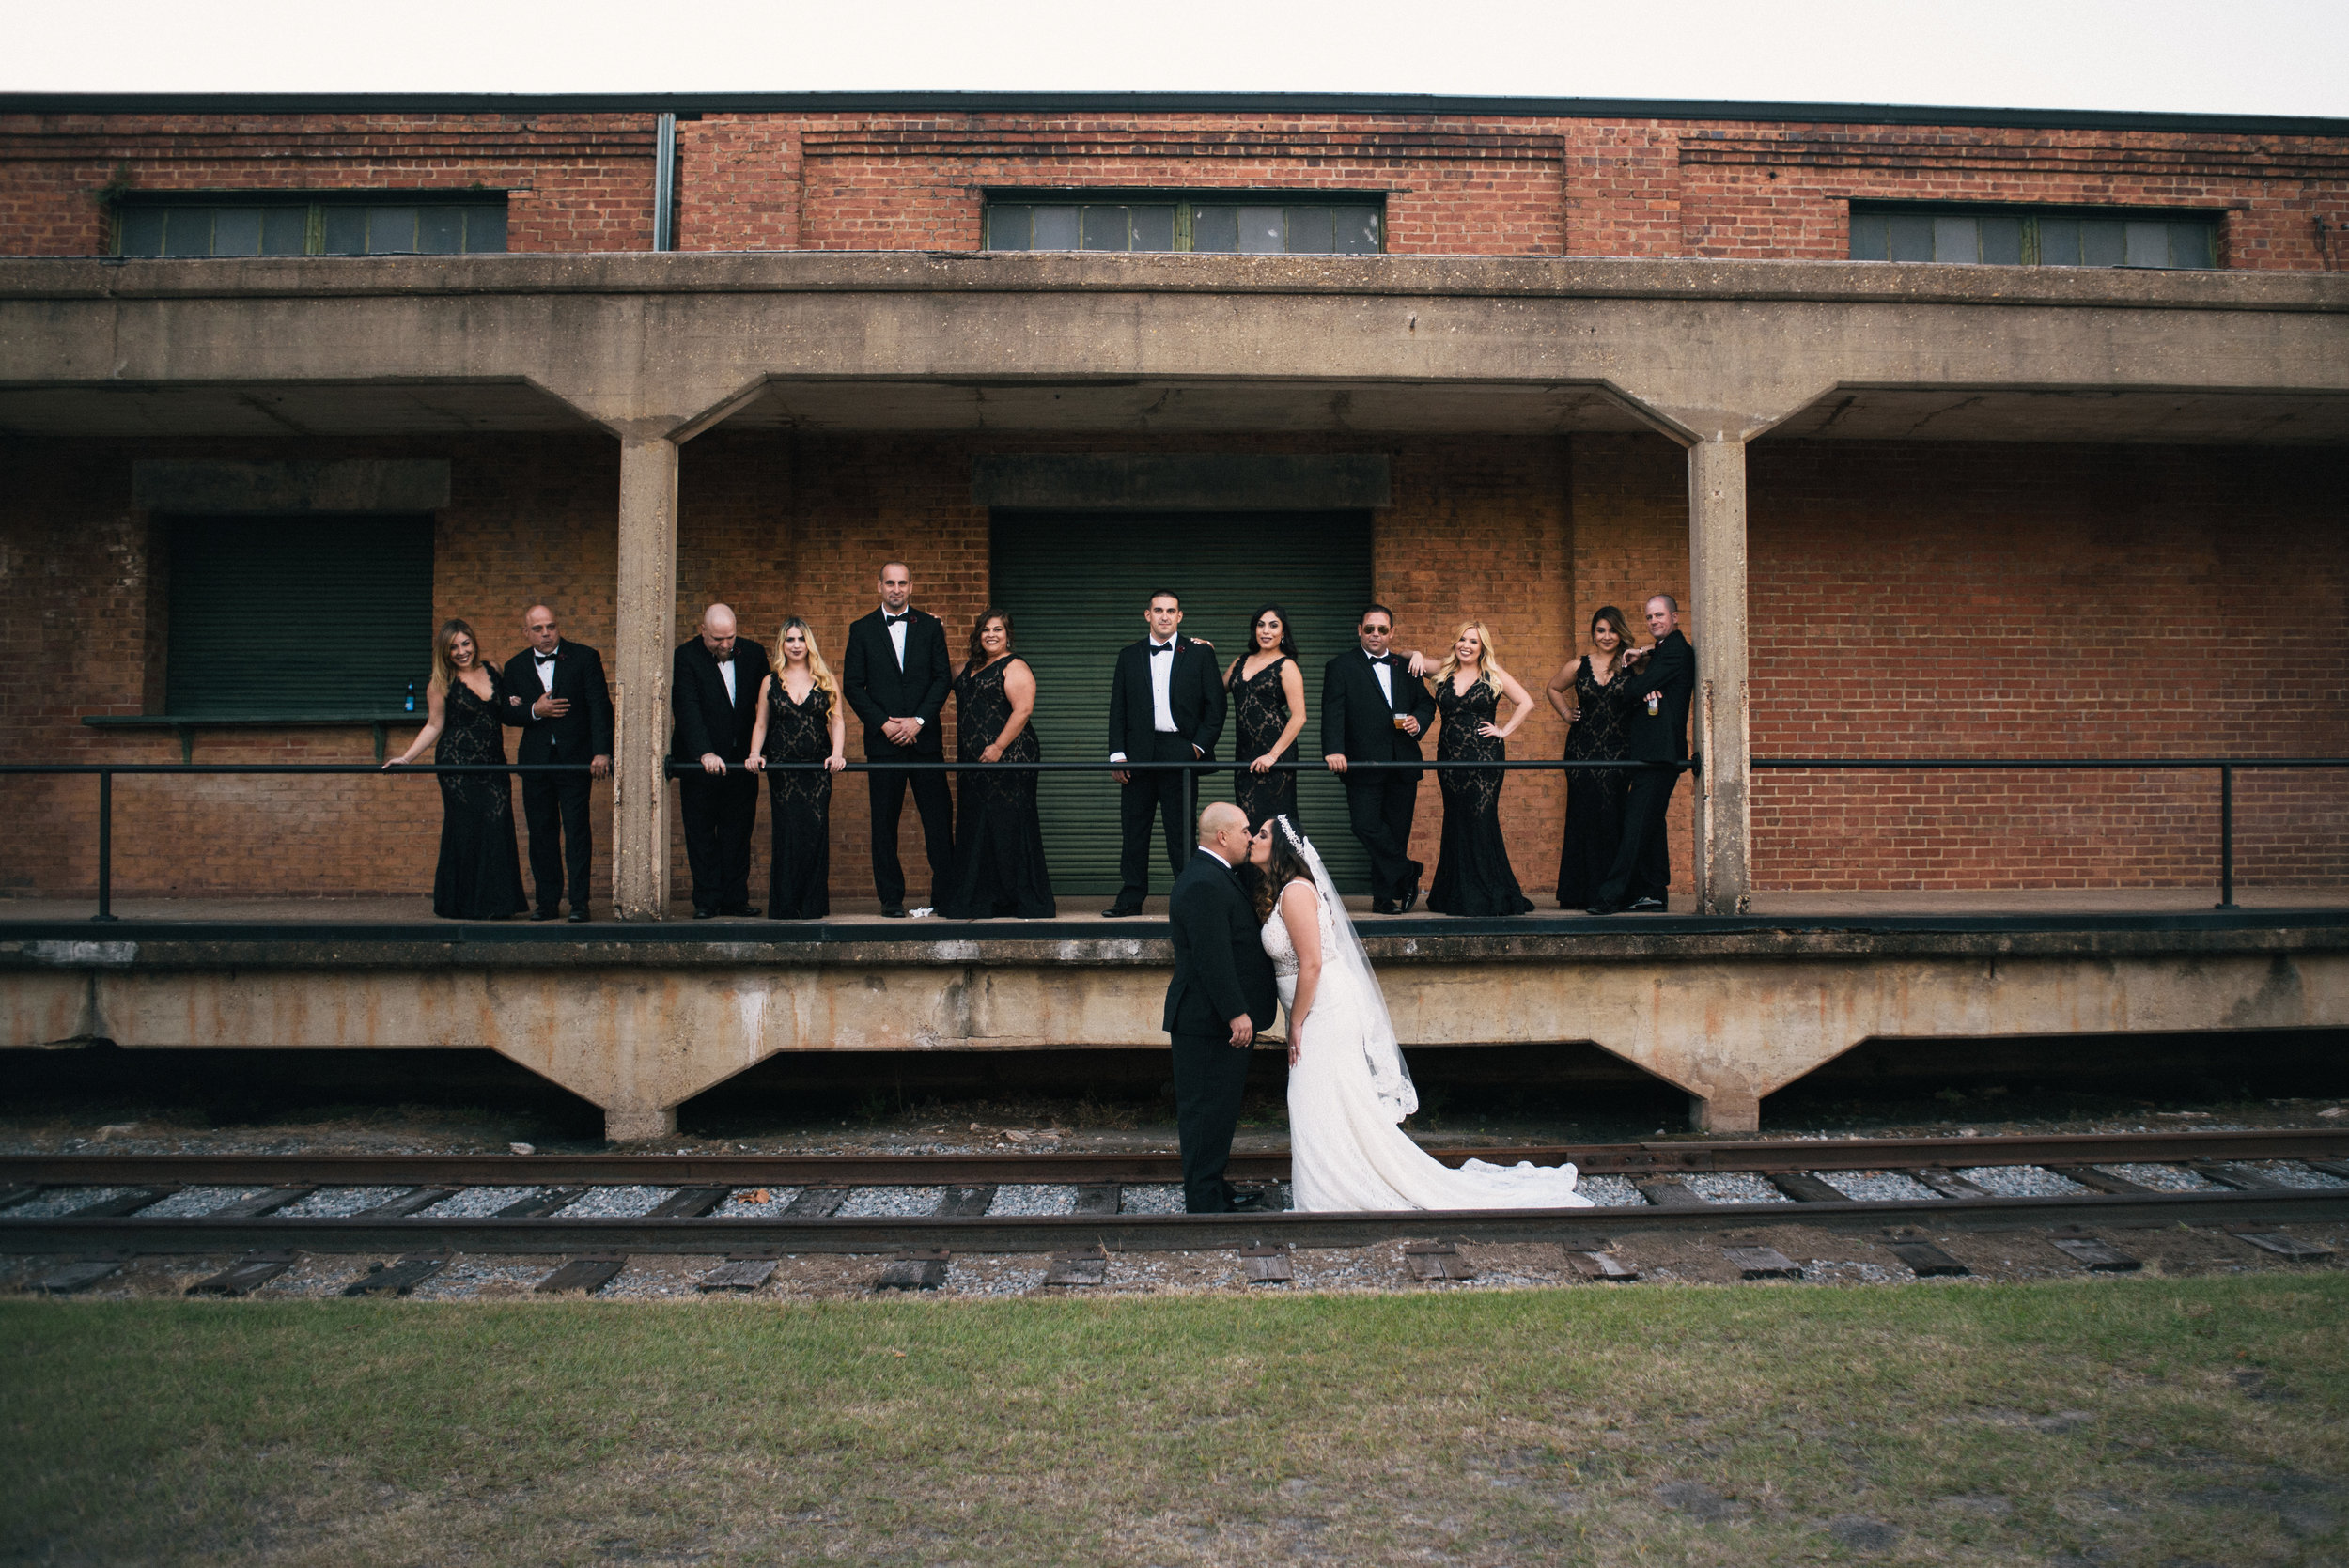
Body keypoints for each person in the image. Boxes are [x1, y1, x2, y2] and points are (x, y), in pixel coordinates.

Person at [1251, 815, 1591, 1212]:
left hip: (1323, 1012)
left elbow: (1311, 964)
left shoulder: (1295, 892)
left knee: (1313, 1097)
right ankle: (1332, 1189)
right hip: (1317, 1009)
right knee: (1329, 1101)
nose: (1254, 839)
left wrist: (1294, 1023)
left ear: (1281, 848)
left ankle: (1333, 1195)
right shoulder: (1289, 891)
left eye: (1261, 834)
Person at [1163, 801, 1281, 1213]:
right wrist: (1235, 1012)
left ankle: (1213, 1187)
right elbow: (1211, 956)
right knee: (1204, 1111)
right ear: (1223, 836)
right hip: (1207, 1019)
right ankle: (1204, 1200)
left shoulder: (1217, 875)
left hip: (1213, 1019)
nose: (1250, 837)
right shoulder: (1203, 883)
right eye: (1245, 830)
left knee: (1218, 1109)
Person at [384, 618, 528, 921]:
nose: (462, 651)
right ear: (444, 652)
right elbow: (434, 725)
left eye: (465, 643)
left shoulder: (493, 669)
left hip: (494, 764)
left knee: (497, 825)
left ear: (473, 642)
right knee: (469, 829)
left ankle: (498, 904)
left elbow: (504, 709)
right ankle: (467, 905)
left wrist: (515, 701)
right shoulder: (441, 684)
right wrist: (407, 758)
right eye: (454, 647)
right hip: (458, 765)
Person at [1102, 589, 1227, 918]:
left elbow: (1216, 706)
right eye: (1158, 610)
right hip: (1138, 754)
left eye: (1171, 611)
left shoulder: (1200, 654)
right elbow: (1118, 708)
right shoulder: (1128, 655)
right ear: (1148, 615)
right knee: (1134, 830)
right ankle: (1130, 900)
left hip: (1180, 751)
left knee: (1181, 831)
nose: (1164, 616)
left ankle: (1188, 899)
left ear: (1180, 616)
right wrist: (1116, 754)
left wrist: (1198, 747)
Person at [842, 562, 954, 918]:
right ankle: (890, 899)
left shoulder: (931, 626)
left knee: (938, 820)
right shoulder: (860, 630)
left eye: (902, 583)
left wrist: (918, 721)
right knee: (884, 823)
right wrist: (883, 725)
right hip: (884, 743)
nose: (896, 589)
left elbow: (941, 679)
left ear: (911, 586)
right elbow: (852, 686)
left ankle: (946, 896)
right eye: (890, 582)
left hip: (925, 741)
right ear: (879, 586)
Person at [937, 609, 1055, 920]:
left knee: (1008, 823)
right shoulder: (966, 668)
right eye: (986, 630)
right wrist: (935, 633)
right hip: (974, 764)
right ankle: (983, 897)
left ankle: (1017, 899)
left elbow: (1023, 709)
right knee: (977, 824)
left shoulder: (1014, 666)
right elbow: (933, 672)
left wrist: (998, 747)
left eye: (998, 630)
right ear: (978, 635)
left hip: (1010, 757)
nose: (991, 634)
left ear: (1007, 635)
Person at [497, 603, 612, 923]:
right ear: (526, 633)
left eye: (551, 626)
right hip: (535, 763)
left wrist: (602, 752)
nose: (546, 634)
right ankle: (547, 903)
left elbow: (600, 707)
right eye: (538, 629)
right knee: (541, 833)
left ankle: (579, 903)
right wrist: (534, 709)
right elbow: (506, 713)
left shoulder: (585, 657)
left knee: (577, 832)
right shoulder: (515, 666)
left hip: (575, 760)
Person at [1320, 605, 1437, 914]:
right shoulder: (1340, 666)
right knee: (1365, 825)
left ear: (1391, 633)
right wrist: (1333, 749)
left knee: (1396, 832)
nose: (1376, 634)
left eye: (1382, 629)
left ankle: (1385, 898)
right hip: (1362, 762)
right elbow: (1333, 711)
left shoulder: (1405, 665)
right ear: (1359, 629)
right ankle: (1408, 870)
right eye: (1370, 628)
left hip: (1403, 761)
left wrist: (1418, 721)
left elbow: (1427, 703)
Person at [1589, 593, 1695, 915]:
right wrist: (1644, 659)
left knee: (1635, 825)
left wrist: (1638, 681)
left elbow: (1633, 691)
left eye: (1660, 615)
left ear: (1675, 617)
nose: (1654, 622)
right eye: (1649, 617)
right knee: (1650, 824)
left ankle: (1610, 896)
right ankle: (1653, 893)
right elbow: (1646, 683)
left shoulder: (1676, 651)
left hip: (1660, 755)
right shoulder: (1661, 651)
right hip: (1653, 753)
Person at [1423, 620, 1537, 916]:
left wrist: (1504, 731)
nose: (1466, 645)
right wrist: (1411, 658)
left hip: (1485, 759)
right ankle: (1455, 894)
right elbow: (1411, 658)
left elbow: (1526, 702)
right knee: (1456, 820)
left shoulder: (1493, 674)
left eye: (1473, 641)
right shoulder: (1444, 672)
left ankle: (1489, 893)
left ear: (1482, 646)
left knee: (1481, 819)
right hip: (1448, 759)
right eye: (1462, 639)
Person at [671, 603, 770, 919]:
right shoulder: (685, 656)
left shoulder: (753, 653)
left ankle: (735, 899)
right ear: (703, 631)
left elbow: (768, 705)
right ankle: (706, 901)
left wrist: (760, 751)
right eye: (717, 639)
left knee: (738, 833)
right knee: (700, 834)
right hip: (700, 765)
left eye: (730, 637)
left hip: (742, 762)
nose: (726, 645)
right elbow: (686, 708)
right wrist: (704, 752)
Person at [745, 617, 847, 921]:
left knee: (814, 834)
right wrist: (754, 752)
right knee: (787, 834)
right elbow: (761, 723)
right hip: (783, 772)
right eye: (789, 640)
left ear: (809, 643)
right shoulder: (770, 681)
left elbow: (838, 720)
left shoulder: (825, 678)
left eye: (801, 639)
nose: (796, 645)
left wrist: (838, 754)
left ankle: (812, 907)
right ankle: (786, 907)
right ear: (782, 645)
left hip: (817, 771)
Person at [1547, 605, 1635, 909]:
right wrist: (1566, 713)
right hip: (1581, 752)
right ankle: (1577, 892)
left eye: (1612, 630)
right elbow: (1553, 688)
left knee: (1612, 819)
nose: (1606, 636)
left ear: (1620, 631)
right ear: (1593, 633)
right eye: (1601, 630)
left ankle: (1610, 892)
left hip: (1618, 753)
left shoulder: (1632, 663)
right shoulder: (1578, 665)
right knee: (1582, 818)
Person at [1224, 603, 1309, 830]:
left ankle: (1284, 867)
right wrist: (1203, 651)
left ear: (1283, 633)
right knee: (1247, 821)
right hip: (1245, 753)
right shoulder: (1241, 661)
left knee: (1275, 825)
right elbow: (1214, 689)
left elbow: (1299, 717)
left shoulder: (1287, 665)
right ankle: (1249, 867)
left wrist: (1272, 756)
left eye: (1273, 625)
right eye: (1261, 625)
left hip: (1276, 753)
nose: (1266, 631)